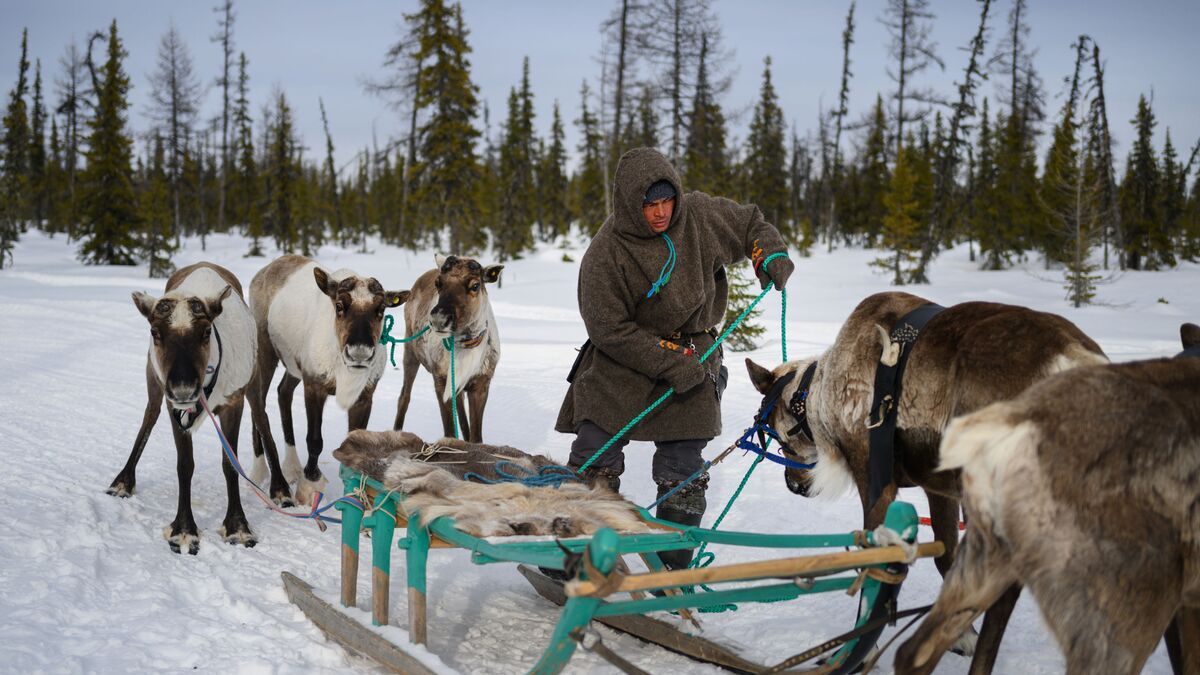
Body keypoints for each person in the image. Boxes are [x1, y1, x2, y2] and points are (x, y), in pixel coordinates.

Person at [555, 147, 793, 570]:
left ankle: (671, 565)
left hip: (695, 351)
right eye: (650, 205)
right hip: (622, 358)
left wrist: (768, 252)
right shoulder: (605, 253)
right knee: (596, 451)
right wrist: (668, 363)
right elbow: (608, 329)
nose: (662, 212)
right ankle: (574, 559)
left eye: (667, 201)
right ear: (632, 205)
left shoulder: (698, 215)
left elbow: (750, 224)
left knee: (683, 463)